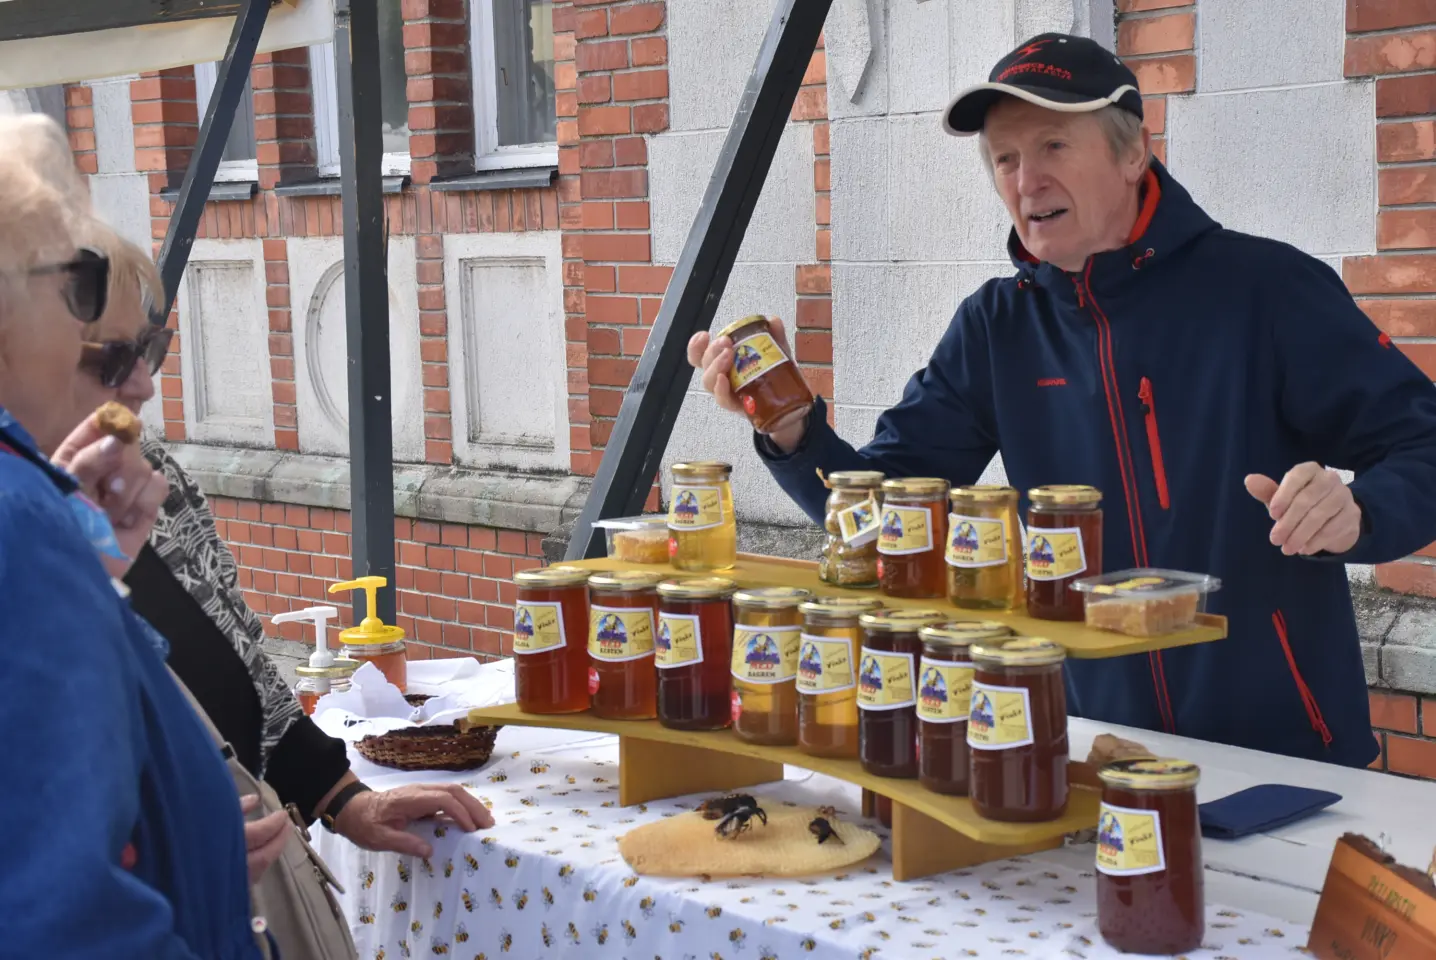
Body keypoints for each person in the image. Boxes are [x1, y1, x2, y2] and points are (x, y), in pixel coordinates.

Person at [687, 34, 1436, 768]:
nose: (1025, 180)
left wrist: (1358, 512)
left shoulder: (1267, 291)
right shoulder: (994, 327)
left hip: (1284, 751)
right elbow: (884, 522)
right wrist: (792, 434)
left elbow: (1423, 446)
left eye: (1052, 146)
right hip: (1085, 751)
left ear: (1132, 151)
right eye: (1005, 159)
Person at [53, 217, 495, 856]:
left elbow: (244, 668)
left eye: (149, 349)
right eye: (116, 359)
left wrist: (343, 798)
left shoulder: (149, 474)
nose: (146, 385)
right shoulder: (27, 524)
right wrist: (171, 849)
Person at [0, 113, 262, 957]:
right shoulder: (19, 519)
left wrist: (92, 567)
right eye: (75, 287)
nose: (142, 381)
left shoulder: (45, 512)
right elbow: (65, 913)